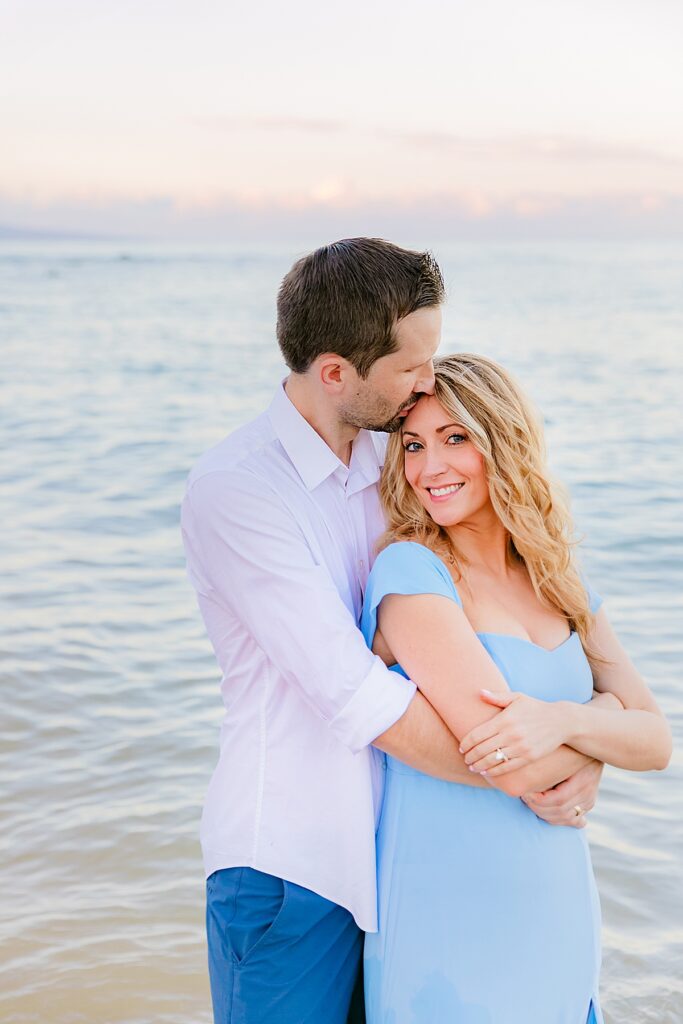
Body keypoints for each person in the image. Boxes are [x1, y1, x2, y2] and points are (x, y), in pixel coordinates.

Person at [181, 239, 606, 1024]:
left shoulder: (397, 462)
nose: (428, 381)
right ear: (337, 373)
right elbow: (357, 697)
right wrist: (548, 770)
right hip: (292, 869)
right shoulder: (238, 490)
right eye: (414, 365)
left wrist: (582, 749)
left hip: (398, 859)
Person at [360, 353, 672, 1024]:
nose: (428, 467)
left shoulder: (557, 578)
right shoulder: (411, 573)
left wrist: (565, 725)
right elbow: (506, 763)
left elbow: (654, 743)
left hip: (557, 914)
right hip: (446, 925)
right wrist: (601, 721)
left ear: (502, 439)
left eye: (455, 438)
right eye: (412, 445)